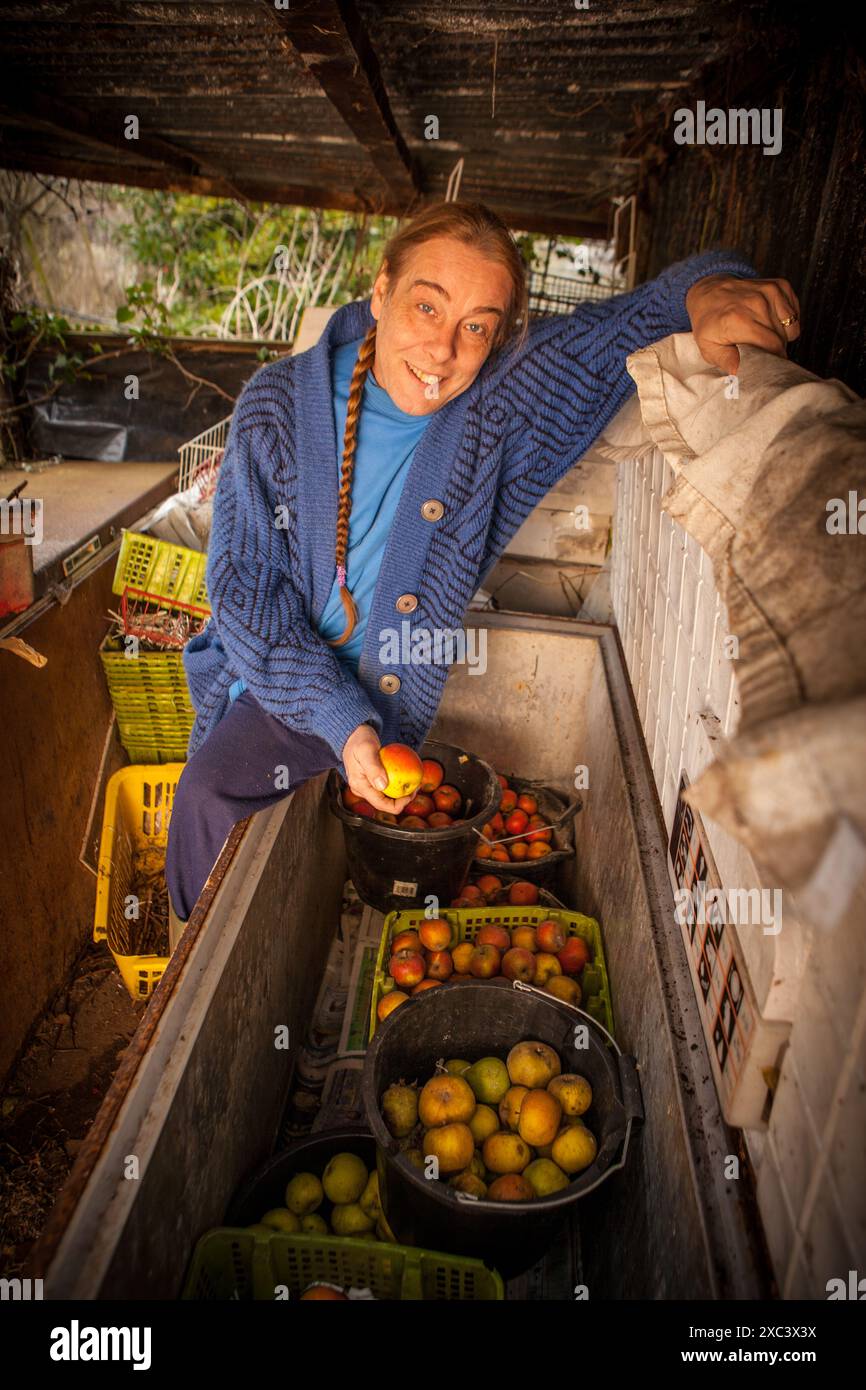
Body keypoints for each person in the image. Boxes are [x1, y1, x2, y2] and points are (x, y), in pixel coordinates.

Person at [164, 200, 800, 941]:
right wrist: (342, 723)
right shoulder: (276, 406)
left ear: (498, 337)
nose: (441, 350)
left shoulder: (499, 402)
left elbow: (626, 324)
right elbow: (244, 592)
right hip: (282, 680)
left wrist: (713, 287)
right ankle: (185, 993)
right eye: (426, 306)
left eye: (476, 325)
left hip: (386, 691)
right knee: (206, 798)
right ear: (381, 291)